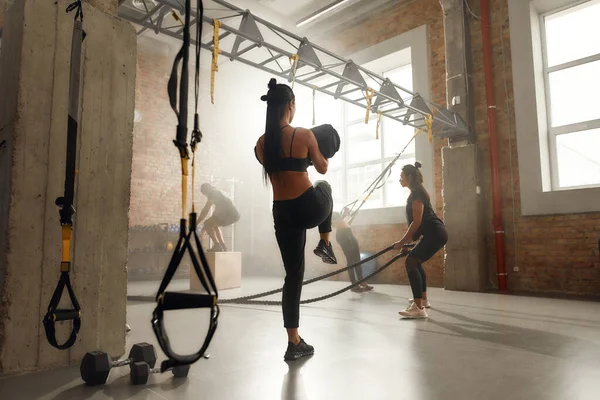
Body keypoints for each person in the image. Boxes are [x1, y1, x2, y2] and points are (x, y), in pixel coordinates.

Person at [254, 78, 337, 361]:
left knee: (293, 276)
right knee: (325, 188)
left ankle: (294, 342)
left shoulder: (260, 145)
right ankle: (325, 242)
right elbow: (323, 169)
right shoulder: (303, 135)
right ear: (290, 106)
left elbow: (278, 168)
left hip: (282, 212)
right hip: (308, 207)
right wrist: (312, 156)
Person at [392, 162, 447, 319]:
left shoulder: (416, 195)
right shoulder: (417, 192)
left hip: (435, 233)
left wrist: (401, 242)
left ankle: (418, 307)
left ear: (409, 177)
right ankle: (423, 300)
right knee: (415, 261)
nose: (399, 179)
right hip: (435, 233)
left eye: (401, 176)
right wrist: (408, 243)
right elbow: (420, 224)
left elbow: (417, 222)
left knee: (411, 262)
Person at [332, 212, 373, 292]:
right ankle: (354, 285)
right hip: (343, 236)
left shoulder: (341, 216)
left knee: (357, 259)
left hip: (348, 233)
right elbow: (334, 224)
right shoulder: (333, 214)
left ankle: (361, 281)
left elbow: (347, 223)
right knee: (351, 261)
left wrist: (352, 216)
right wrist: (344, 215)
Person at [198, 183, 240, 252]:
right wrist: (206, 226)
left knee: (207, 223)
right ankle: (223, 246)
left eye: (205, 194)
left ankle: (217, 246)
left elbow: (206, 209)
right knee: (213, 224)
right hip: (234, 214)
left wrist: (197, 223)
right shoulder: (218, 192)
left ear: (206, 191)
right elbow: (215, 214)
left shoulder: (213, 194)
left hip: (229, 213)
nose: (206, 196)